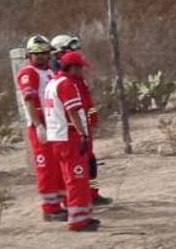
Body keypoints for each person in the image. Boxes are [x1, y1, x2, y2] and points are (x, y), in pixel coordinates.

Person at [42, 50, 99, 232]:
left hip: (57, 137)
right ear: (72, 67)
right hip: (69, 136)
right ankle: (78, 220)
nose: (83, 71)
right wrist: (83, 134)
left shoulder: (52, 83)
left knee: (74, 175)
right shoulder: (67, 84)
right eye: (80, 67)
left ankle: (81, 212)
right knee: (78, 177)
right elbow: (73, 111)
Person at [51, 35, 111, 206]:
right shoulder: (60, 78)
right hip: (67, 129)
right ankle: (73, 200)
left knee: (90, 162)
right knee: (73, 168)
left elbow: (86, 99)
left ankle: (92, 193)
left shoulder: (76, 75)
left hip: (81, 125)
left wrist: (91, 114)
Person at [16, 35, 65, 222]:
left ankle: (60, 202)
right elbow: (29, 100)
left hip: (54, 124)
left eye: (45, 53)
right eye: (37, 54)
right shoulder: (29, 73)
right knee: (47, 168)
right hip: (41, 124)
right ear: (29, 55)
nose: (42, 57)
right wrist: (38, 125)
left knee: (58, 165)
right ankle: (50, 208)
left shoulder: (50, 71)